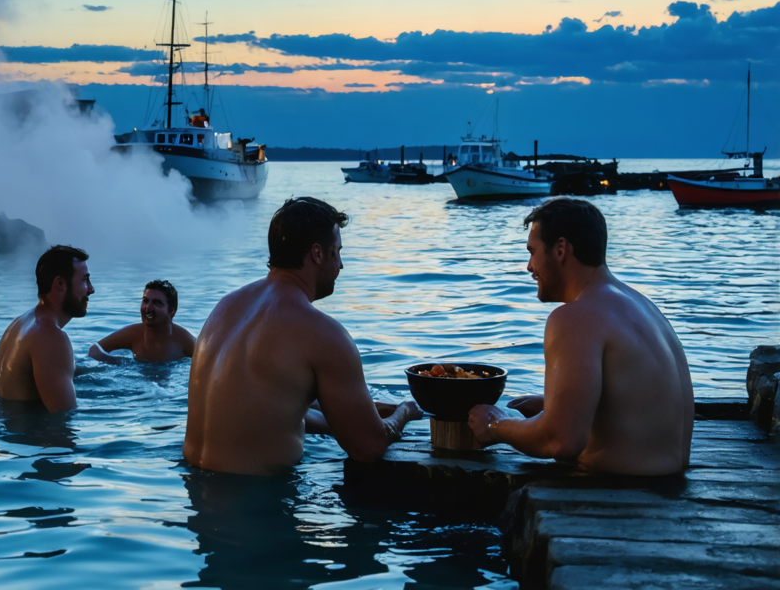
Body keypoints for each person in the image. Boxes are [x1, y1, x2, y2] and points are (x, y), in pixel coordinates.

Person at [184, 197, 421, 476]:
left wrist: (368, 410)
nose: (341, 265)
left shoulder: (224, 308)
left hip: (196, 497)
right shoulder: (322, 334)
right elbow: (368, 447)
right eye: (338, 252)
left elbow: (269, 403)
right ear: (318, 254)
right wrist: (404, 411)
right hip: (260, 506)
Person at [468, 198, 693, 476]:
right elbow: (633, 398)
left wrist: (495, 424)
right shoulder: (643, 307)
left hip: (624, 503)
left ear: (561, 249)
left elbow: (561, 440)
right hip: (669, 493)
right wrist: (551, 403)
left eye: (532, 252)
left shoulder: (574, 317)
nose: (529, 266)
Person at [0, 245, 93, 413]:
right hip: (30, 437)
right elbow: (64, 422)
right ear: (60, 283)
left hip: (6, 429)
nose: (91, 289)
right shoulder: (50, 336)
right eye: (85, 280)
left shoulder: (21, 323)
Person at [89, 280, 195, 364]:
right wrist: (118, 363)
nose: (148, 308)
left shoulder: (185, 341)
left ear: (172, 311)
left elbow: (209, 364)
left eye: (157, 303)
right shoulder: (133, 334)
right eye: (145, 301)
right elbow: (95, 350)